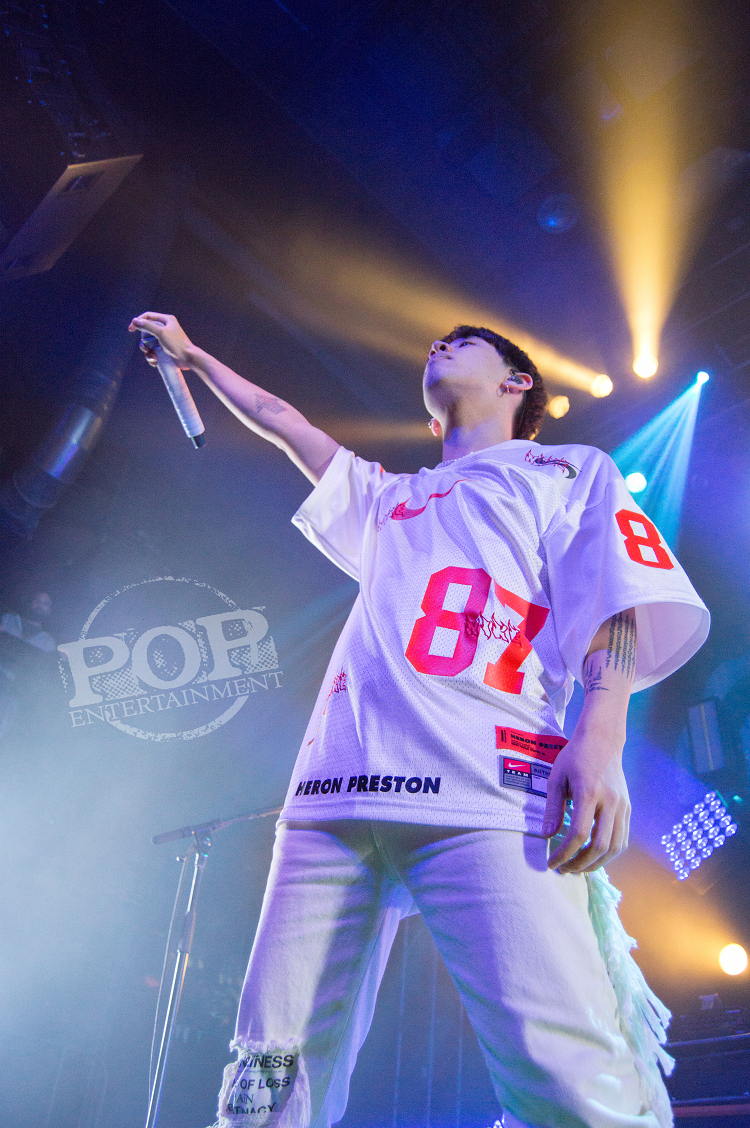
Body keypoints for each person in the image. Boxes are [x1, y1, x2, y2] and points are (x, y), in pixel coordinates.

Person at [129, 312, 709, 1128]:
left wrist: (603, 736)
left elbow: (617, 597)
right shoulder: (388, 496)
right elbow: (283, 420)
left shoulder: (567, 469)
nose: (438, 345)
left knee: (570, 1080)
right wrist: (194, 356)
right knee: (266, 1077)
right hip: (331, 796)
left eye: (462, 343)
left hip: (489, 788)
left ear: (517, 383)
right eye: (434, 344)